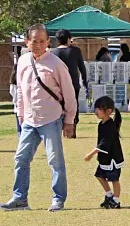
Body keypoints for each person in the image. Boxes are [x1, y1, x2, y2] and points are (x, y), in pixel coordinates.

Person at [4, 24, 78, 212]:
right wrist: (20, 114)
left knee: (55, 161)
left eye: (41, 41)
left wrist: (69, 120)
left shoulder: (56, 64)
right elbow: (20, 90)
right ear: (27, 42)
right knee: (21, 159)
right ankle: (20, 198)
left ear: (48, 42)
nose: (37, 44)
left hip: (51, 118)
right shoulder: (22, 61)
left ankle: (58, 199)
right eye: (33, 41)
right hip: (28, 119)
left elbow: (69, 94)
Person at [83, 95, 124, 209]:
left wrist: (91, 154)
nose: (96, 111)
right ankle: (109, 194)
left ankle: (116, 200)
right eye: (96, 108)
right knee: (99, 175)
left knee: (114, 179)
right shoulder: (101, 124)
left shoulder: (110, 125)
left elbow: (104, 143)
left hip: (112, 159)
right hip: (105, 159)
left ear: (108, 111)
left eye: (99, 109)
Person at [51, 29, 88, 126]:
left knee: (59, 105)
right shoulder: (75, 51)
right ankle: (73, 125)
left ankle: (60, 125)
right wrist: (84, 81)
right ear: (69, 39)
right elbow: (82, 67)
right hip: (73, 83)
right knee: (73, 105)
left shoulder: (53, 52)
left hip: (57, 84)